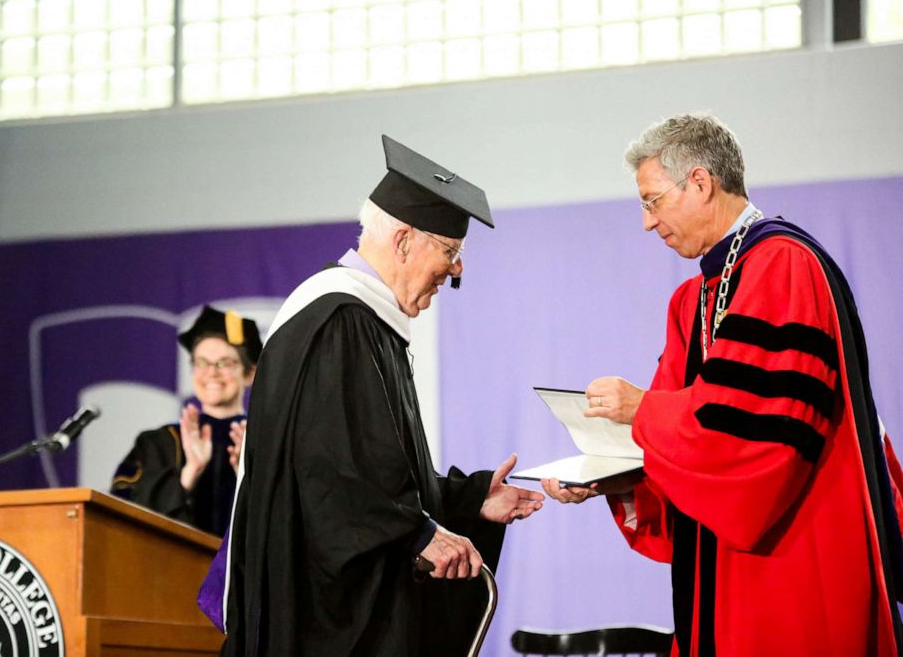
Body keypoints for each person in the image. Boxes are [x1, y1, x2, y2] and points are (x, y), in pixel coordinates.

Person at [543, 113, 903, 656]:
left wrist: (641, 407)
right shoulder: (693, 300)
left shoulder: (783, 264)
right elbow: (675, 444)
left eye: (651, 201)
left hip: (795, 557)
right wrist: (612, 482)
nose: (646, 222)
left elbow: (749, 437)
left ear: (701, 183)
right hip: (722, 566)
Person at [200, 135, 545, 656]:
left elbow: (373, 473)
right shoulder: (338, 323)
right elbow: (330, 476)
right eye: (450, 252)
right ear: (404, 240)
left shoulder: (367, 323)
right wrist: (415, 534)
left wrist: (471, 501)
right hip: (326, 619)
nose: (457, 272)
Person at [111, 305, 262, 535]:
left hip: (244, 571)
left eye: (225, 363)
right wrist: (188, 474)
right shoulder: (158, 444)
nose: (212, 373)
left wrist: (251, 474)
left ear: (249, 374)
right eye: (201, 362)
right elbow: (121, 514)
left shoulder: (264, 442)